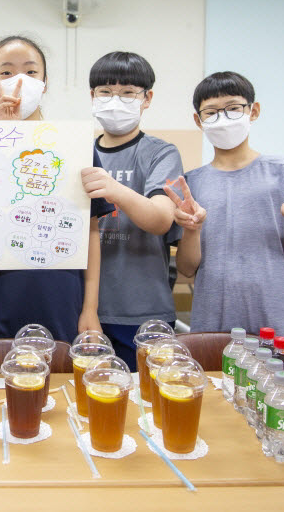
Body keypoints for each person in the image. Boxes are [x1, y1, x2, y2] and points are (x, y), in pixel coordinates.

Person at [0, 35, 114, 343]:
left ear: (44, 82)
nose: (19, 81)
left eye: (30, 72)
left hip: (61, 291)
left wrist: (90, 308)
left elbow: (91, 232)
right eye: (6, 72)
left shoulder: (74, 145)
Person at [166, 70, 284, 335]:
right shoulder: (191, 183)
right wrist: (192, 230)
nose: (223, 118)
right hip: (212, 321)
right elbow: (186, 268)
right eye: (211, 112)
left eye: (233, 108)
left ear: (253, 111)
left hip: (274, 319)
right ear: (198, 120)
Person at [79, 52, 183, 369]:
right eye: (106, 92)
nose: (115, 101)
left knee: (148, 403)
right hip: (85, 309)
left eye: (128, 93)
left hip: (143, 309)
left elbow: (161, 219)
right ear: (92, 97)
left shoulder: (161, 153)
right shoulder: (78, 150)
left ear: (146, 98)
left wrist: (114, 189)